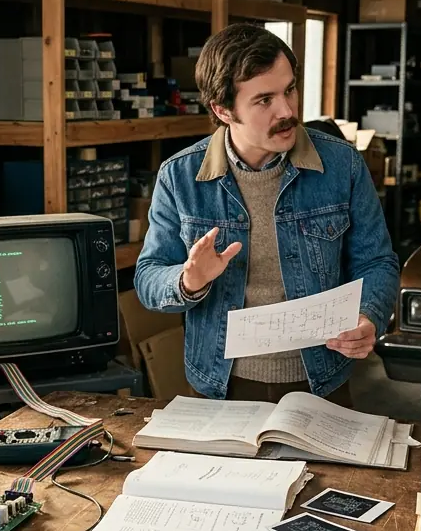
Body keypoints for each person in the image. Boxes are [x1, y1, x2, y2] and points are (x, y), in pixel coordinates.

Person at [134, 24, 399, 404]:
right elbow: (148, 276)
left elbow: (377, 262)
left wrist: (368, 314)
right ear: (223, 110)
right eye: (264, 100)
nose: (287, 110)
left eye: (289, 89)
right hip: (219, 385)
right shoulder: (180, 177)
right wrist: (188, 280)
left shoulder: (343, 165)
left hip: (322, 380)